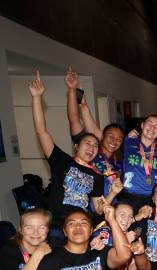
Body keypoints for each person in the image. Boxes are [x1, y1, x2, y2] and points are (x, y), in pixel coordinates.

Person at [29, 71, 114, 245]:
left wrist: (113, 193)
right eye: (87, 143)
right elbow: (41, 131)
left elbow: (98, 208)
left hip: (82, 229)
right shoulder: (61, 161)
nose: (92, 148)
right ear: (77, 146)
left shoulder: (97, 175)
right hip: (57, 228)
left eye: (95, 146)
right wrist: (36, 98)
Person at [65, 67, 125, 201]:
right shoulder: (91, 151)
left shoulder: (119, 160)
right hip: (86, 203)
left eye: (119, 139)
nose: (114, 141)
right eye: (111, 136)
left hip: (110, 206)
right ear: (102, 136)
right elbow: (74, 118)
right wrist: (72, 91)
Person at [121, 114, 157, 211]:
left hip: (151, 198)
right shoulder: (129, 141)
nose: (152, 128)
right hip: (128, 196)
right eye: (150, 123)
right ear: (142, 125)